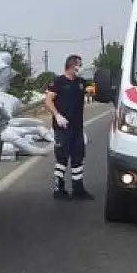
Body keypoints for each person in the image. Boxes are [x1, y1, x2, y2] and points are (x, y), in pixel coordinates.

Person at [45, 55, 93, 200]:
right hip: (62, 127)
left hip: (77, 128)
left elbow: (92, 91)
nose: (81, 68)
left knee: (78, 158)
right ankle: (58, 189)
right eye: (79, 65)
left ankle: (78, 188)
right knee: (62, 158)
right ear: (71, 66)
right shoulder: (58, 82)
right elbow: (48, 100)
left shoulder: (81, 82)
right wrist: (57, 115)